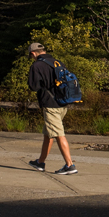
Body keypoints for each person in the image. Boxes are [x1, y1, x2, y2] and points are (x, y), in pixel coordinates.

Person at [25, 43, 76, 175]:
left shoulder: (37, 66)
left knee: (59, 134)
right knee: (49, 133)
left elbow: (33, 86)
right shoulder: (57, 62)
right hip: (62, 102)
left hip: (50, 104)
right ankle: (40, 162)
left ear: (33, 53)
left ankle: (69, 165)